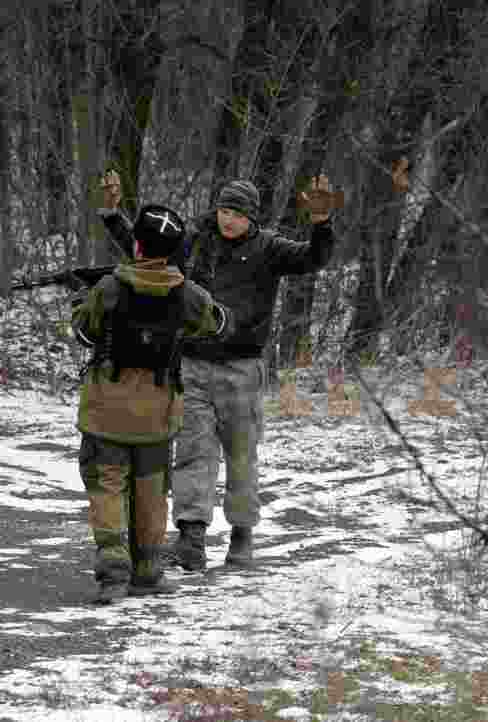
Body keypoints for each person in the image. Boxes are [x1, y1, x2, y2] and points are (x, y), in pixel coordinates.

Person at [99, 170, 344, 572]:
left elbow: (313, 259)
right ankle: (191, 538)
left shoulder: (270, 249)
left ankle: (242, 536)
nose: (228, 219)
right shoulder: (195, 242)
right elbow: (146, 251)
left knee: (241, 456)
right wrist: (113, 214)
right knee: (193, 452)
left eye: (238, 213)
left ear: (252, 218)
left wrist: (321, 224)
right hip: (192, 364)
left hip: (242, 369)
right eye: (224, 210)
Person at [72, 203, 233, 603]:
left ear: (137, 246)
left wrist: (79, 302)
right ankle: (148, 572)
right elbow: (217, 324)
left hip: (106, 410)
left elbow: (86, 331)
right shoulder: (188, 295)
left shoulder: (108, 288)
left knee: (106, 488)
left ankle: (112, 573)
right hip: (158, 413)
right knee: (152, 493)